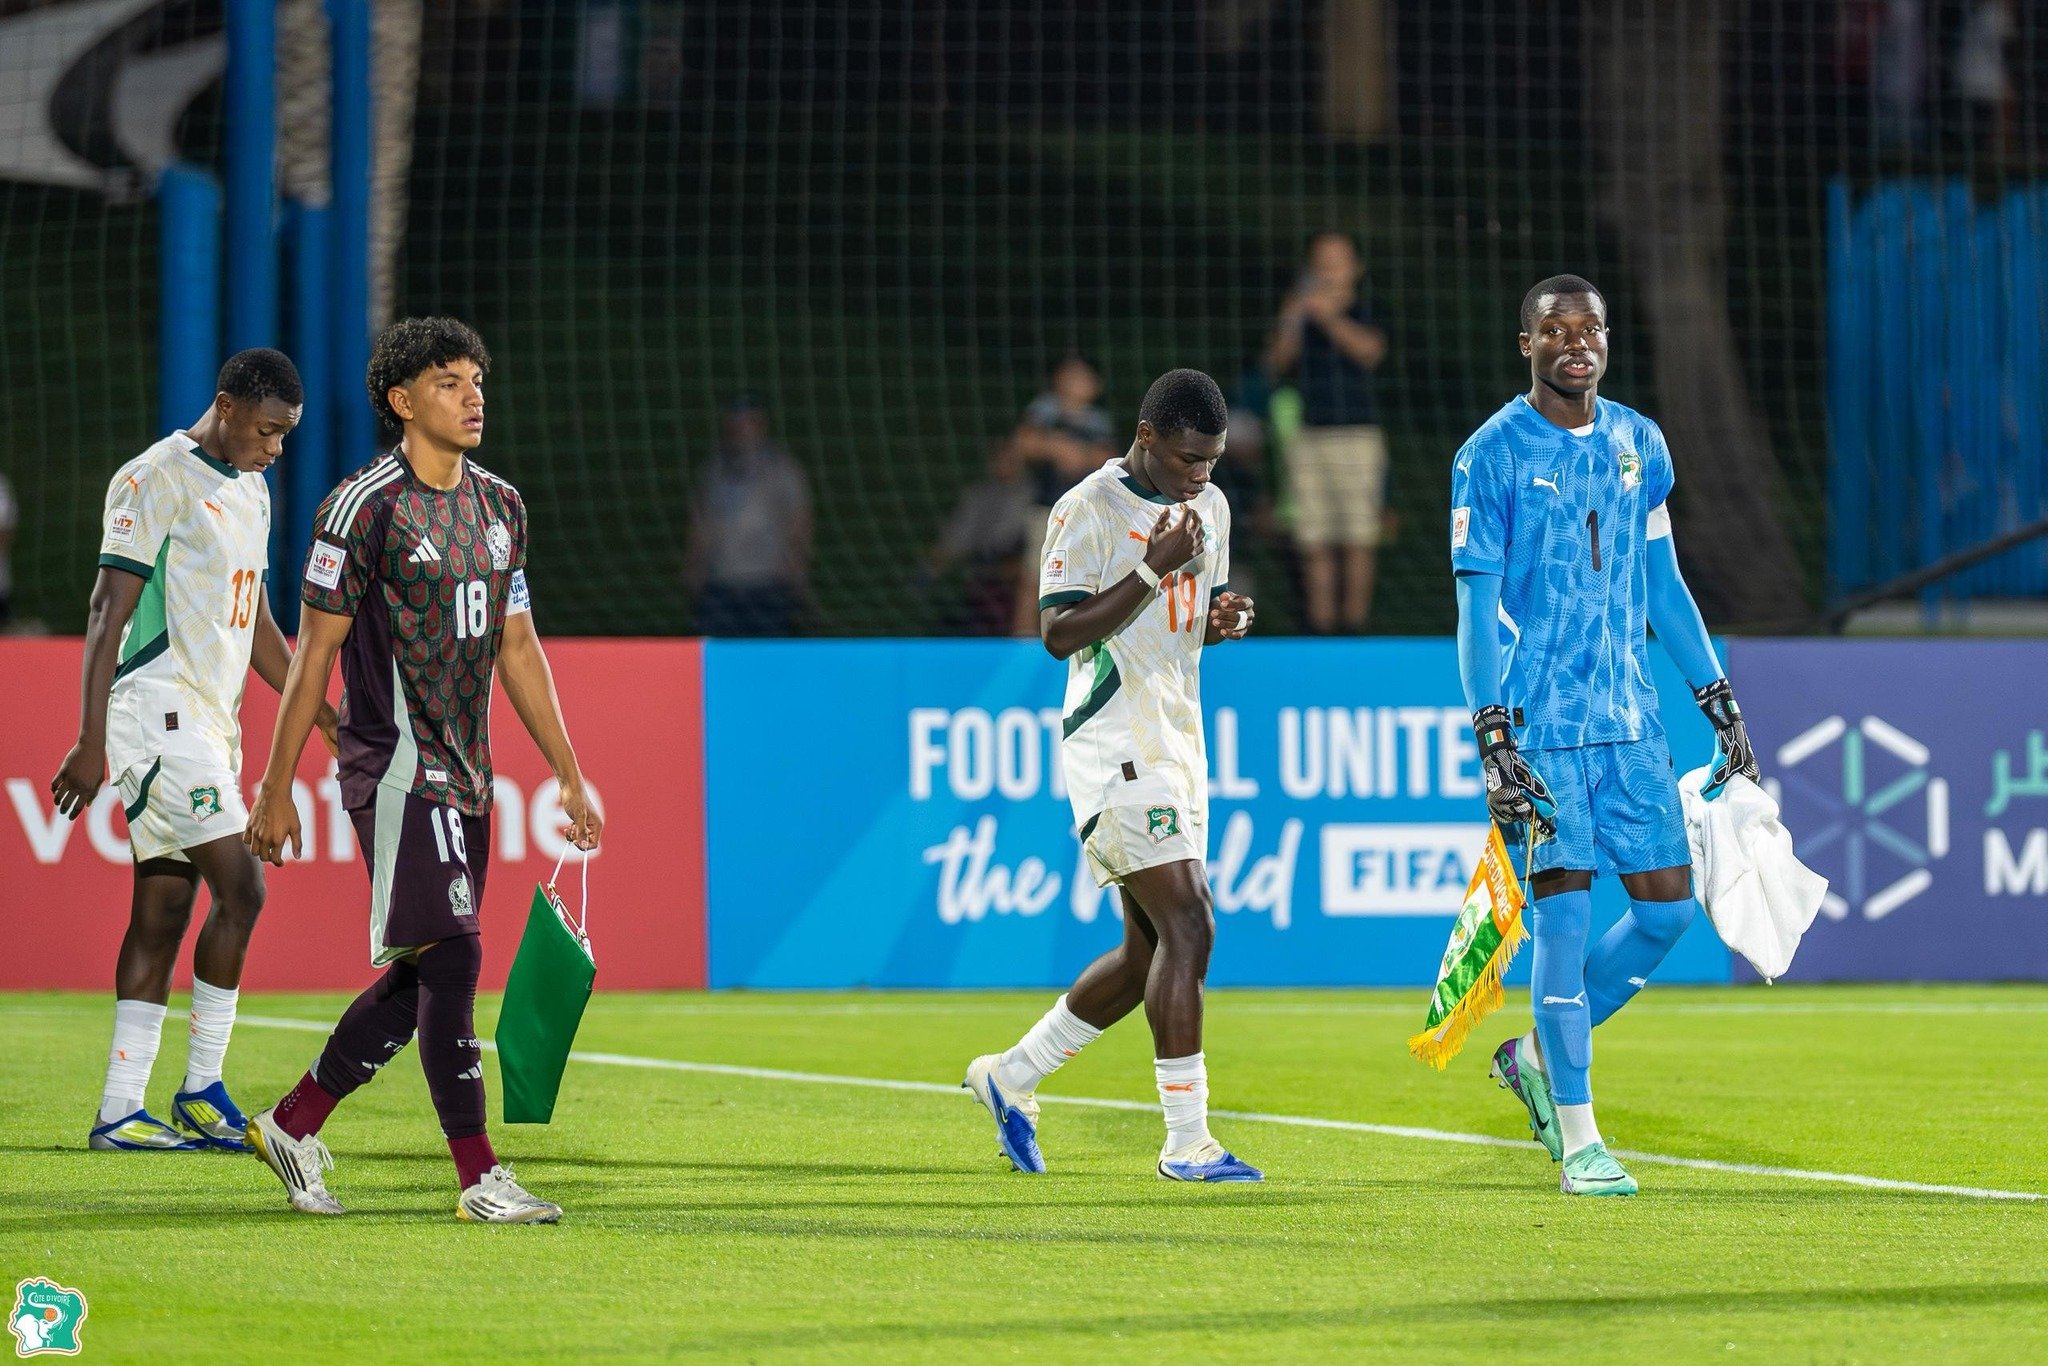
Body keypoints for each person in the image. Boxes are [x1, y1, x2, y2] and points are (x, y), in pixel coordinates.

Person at [240, 317, 603, 1222]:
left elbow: (518, 645)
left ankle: (292, 1122)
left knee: (421, 978)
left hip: (470, 775)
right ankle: (479, 1177)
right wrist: (275, 787)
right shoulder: (361, 507)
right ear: (402, 401)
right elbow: (313, 656)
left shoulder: (502, 507)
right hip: (394, 769)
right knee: (459, 954)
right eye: (449, 382)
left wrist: (568, 771)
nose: (473, 396)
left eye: (477, 380)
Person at [1450, 276, 1758, 1197]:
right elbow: (1475, 610)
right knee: (1564, 920)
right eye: (1556, 330)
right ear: (1527, 345)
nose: (1576, 343)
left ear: (1608, 340)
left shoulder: (1639, 442)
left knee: (1667, 911)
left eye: (1590, 328)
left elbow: (1664, 584)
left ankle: (1538, 1057)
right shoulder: (1490, 455)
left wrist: (1717, 697)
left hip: (1631, 724)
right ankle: (1581, 1139)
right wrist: (1493, 737)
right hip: (1541, 730)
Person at [963, 369, 1261, 1183]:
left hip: (1179, 742)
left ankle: (1010, 1075)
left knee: (1146, 954)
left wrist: (1223, 619)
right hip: (1113, 742)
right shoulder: (1086, 508)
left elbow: (1187, 623)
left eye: (1212, 459)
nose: (1201, 473)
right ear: (1146, 436)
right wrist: (1153, 568)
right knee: (1191, 925)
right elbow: (1059, 633)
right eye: (1188, 457)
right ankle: (1187, 1141)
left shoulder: (1212, 507)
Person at [49, 350, 330, 1152]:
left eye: (286, 435)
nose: (276, 448)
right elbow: (106, 610)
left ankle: (119, 1110)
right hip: (157, 714)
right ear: (227, 406)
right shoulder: (154, 477)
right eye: (267, 430)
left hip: (210, 724)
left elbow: (256, 620)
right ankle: (202, 1089)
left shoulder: (252, 489)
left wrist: (323, 715)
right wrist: (91, 739)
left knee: (164, 908)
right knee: (244, 889)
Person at [1265, 232, 1389, 633]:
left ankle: (1354, 629)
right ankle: (1318, 630)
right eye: (1321, 262)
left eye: (1337, 261)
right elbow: (1275, 363)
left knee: (1358, 537)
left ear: (1355, 268)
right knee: (1312, 540)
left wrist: (1328, 317)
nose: (1328, 270)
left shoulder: (1367, 308)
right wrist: (1292, 318)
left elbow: (1370, 351)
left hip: (1358, 435)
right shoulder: (1298, 310)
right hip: (1308, 434)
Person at [687, 395, 811, 636]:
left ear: (762, 426)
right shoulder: (714, 471)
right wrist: (695, 567)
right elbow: (701, 523)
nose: (743, 430)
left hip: (767, 585)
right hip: (721, 584)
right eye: (736, 423)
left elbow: (800, 523)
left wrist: (797, 571)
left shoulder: (784, 471)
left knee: (767, 652)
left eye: (750, 422)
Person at [1011, 357, 1116, 634]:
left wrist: (1080, 455)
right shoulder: (1045, 410)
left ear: (1095, 385)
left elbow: (1108, 458)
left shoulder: (1097, 421)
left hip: (1086, 512)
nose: (1073, 382)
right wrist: (1057, 446)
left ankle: (1078, 636)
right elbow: (1024, 442)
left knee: (1085, 578)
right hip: (1046, 508)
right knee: (1034, 577)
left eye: (1081, 377)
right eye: (1068, 375)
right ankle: (1023, 641)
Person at [925, 438, 1033, 635]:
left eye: (1011, 458)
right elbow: (957, 538)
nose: (1004, 462)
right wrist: (934, 566)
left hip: (1017, 574)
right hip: (981, 575)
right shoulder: (978, 495)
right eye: (999, 456)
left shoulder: (1033, 494)